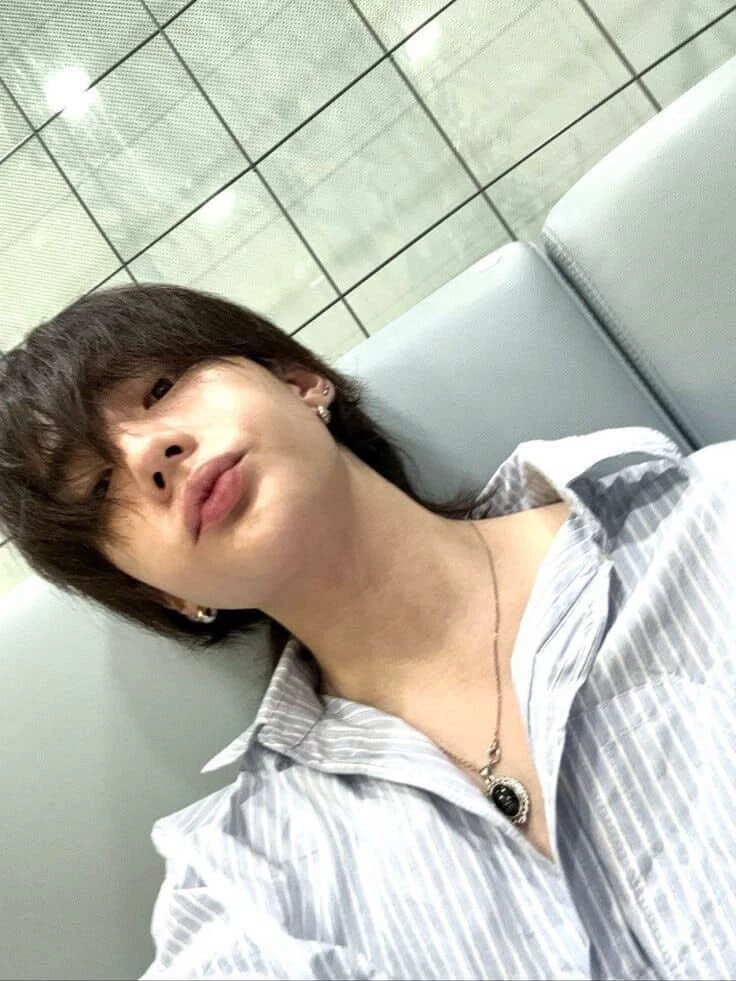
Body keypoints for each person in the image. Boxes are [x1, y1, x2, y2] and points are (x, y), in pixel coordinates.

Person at [0, 283, 733, 981]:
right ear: (161, 593)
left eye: (161, 388)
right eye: (97, 486)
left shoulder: (714, 517)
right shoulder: (242, 879)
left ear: (298, 381)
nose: (146, 454)